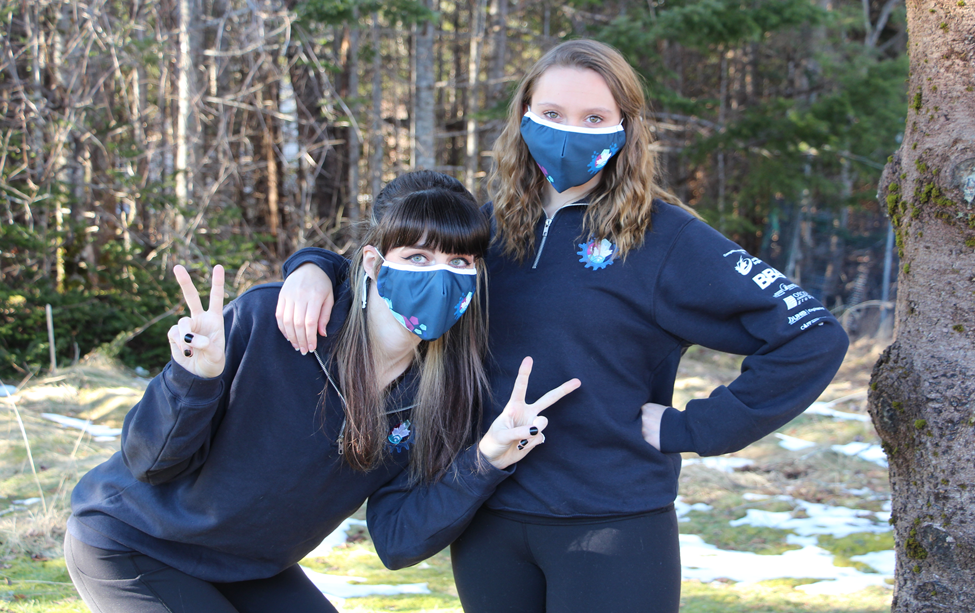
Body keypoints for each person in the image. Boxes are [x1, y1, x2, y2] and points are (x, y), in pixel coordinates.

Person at [275, 40, 850, 613]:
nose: (569, 132)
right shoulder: (490, 230)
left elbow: (811, 334)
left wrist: (696, 428)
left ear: (625, 128)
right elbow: (395, 268)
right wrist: (313, 267)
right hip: (489, 521)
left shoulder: (664, 238)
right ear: (524, 117)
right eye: (551, 115)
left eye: (593, 118)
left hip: (612, 528)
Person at [64, 170, 580, 613]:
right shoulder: (274, 320)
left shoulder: (443, 391)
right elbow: (148, 463)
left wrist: (485, 461)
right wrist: (193, 379)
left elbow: (397, 538)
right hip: (135, 543)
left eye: (459, 263)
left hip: (253, 566)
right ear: (374, 264)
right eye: (418, 258)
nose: (440, 278)